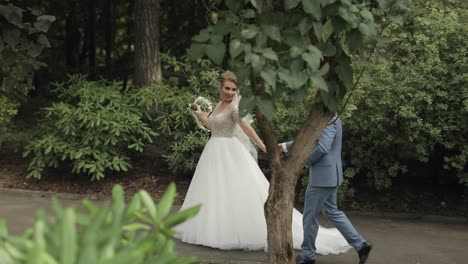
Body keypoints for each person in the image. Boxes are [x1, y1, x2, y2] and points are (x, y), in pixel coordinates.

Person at [174, 70, 351, 255]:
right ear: (220, 87)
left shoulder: (235, 108)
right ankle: (211, 228)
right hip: (214, 151)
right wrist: (200, 114)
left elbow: (247, 129)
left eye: (233, 89)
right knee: (213, 190)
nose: (229, 92)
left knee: (236, 191)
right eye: (227, 88)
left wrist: (265, 146)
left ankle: (236, 231)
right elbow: (213, 127)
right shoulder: (219, 104)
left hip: (229, 153)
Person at [280, 115, 373, 264]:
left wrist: (304, 161)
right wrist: (285, 146)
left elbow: (322, 147)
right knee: (332, 212)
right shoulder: (329, 115)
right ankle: (361, 245)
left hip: (322, 177)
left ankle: (307, 257)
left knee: (310, 217)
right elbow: (312, 139)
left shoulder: (328, 118)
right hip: (329, 175)